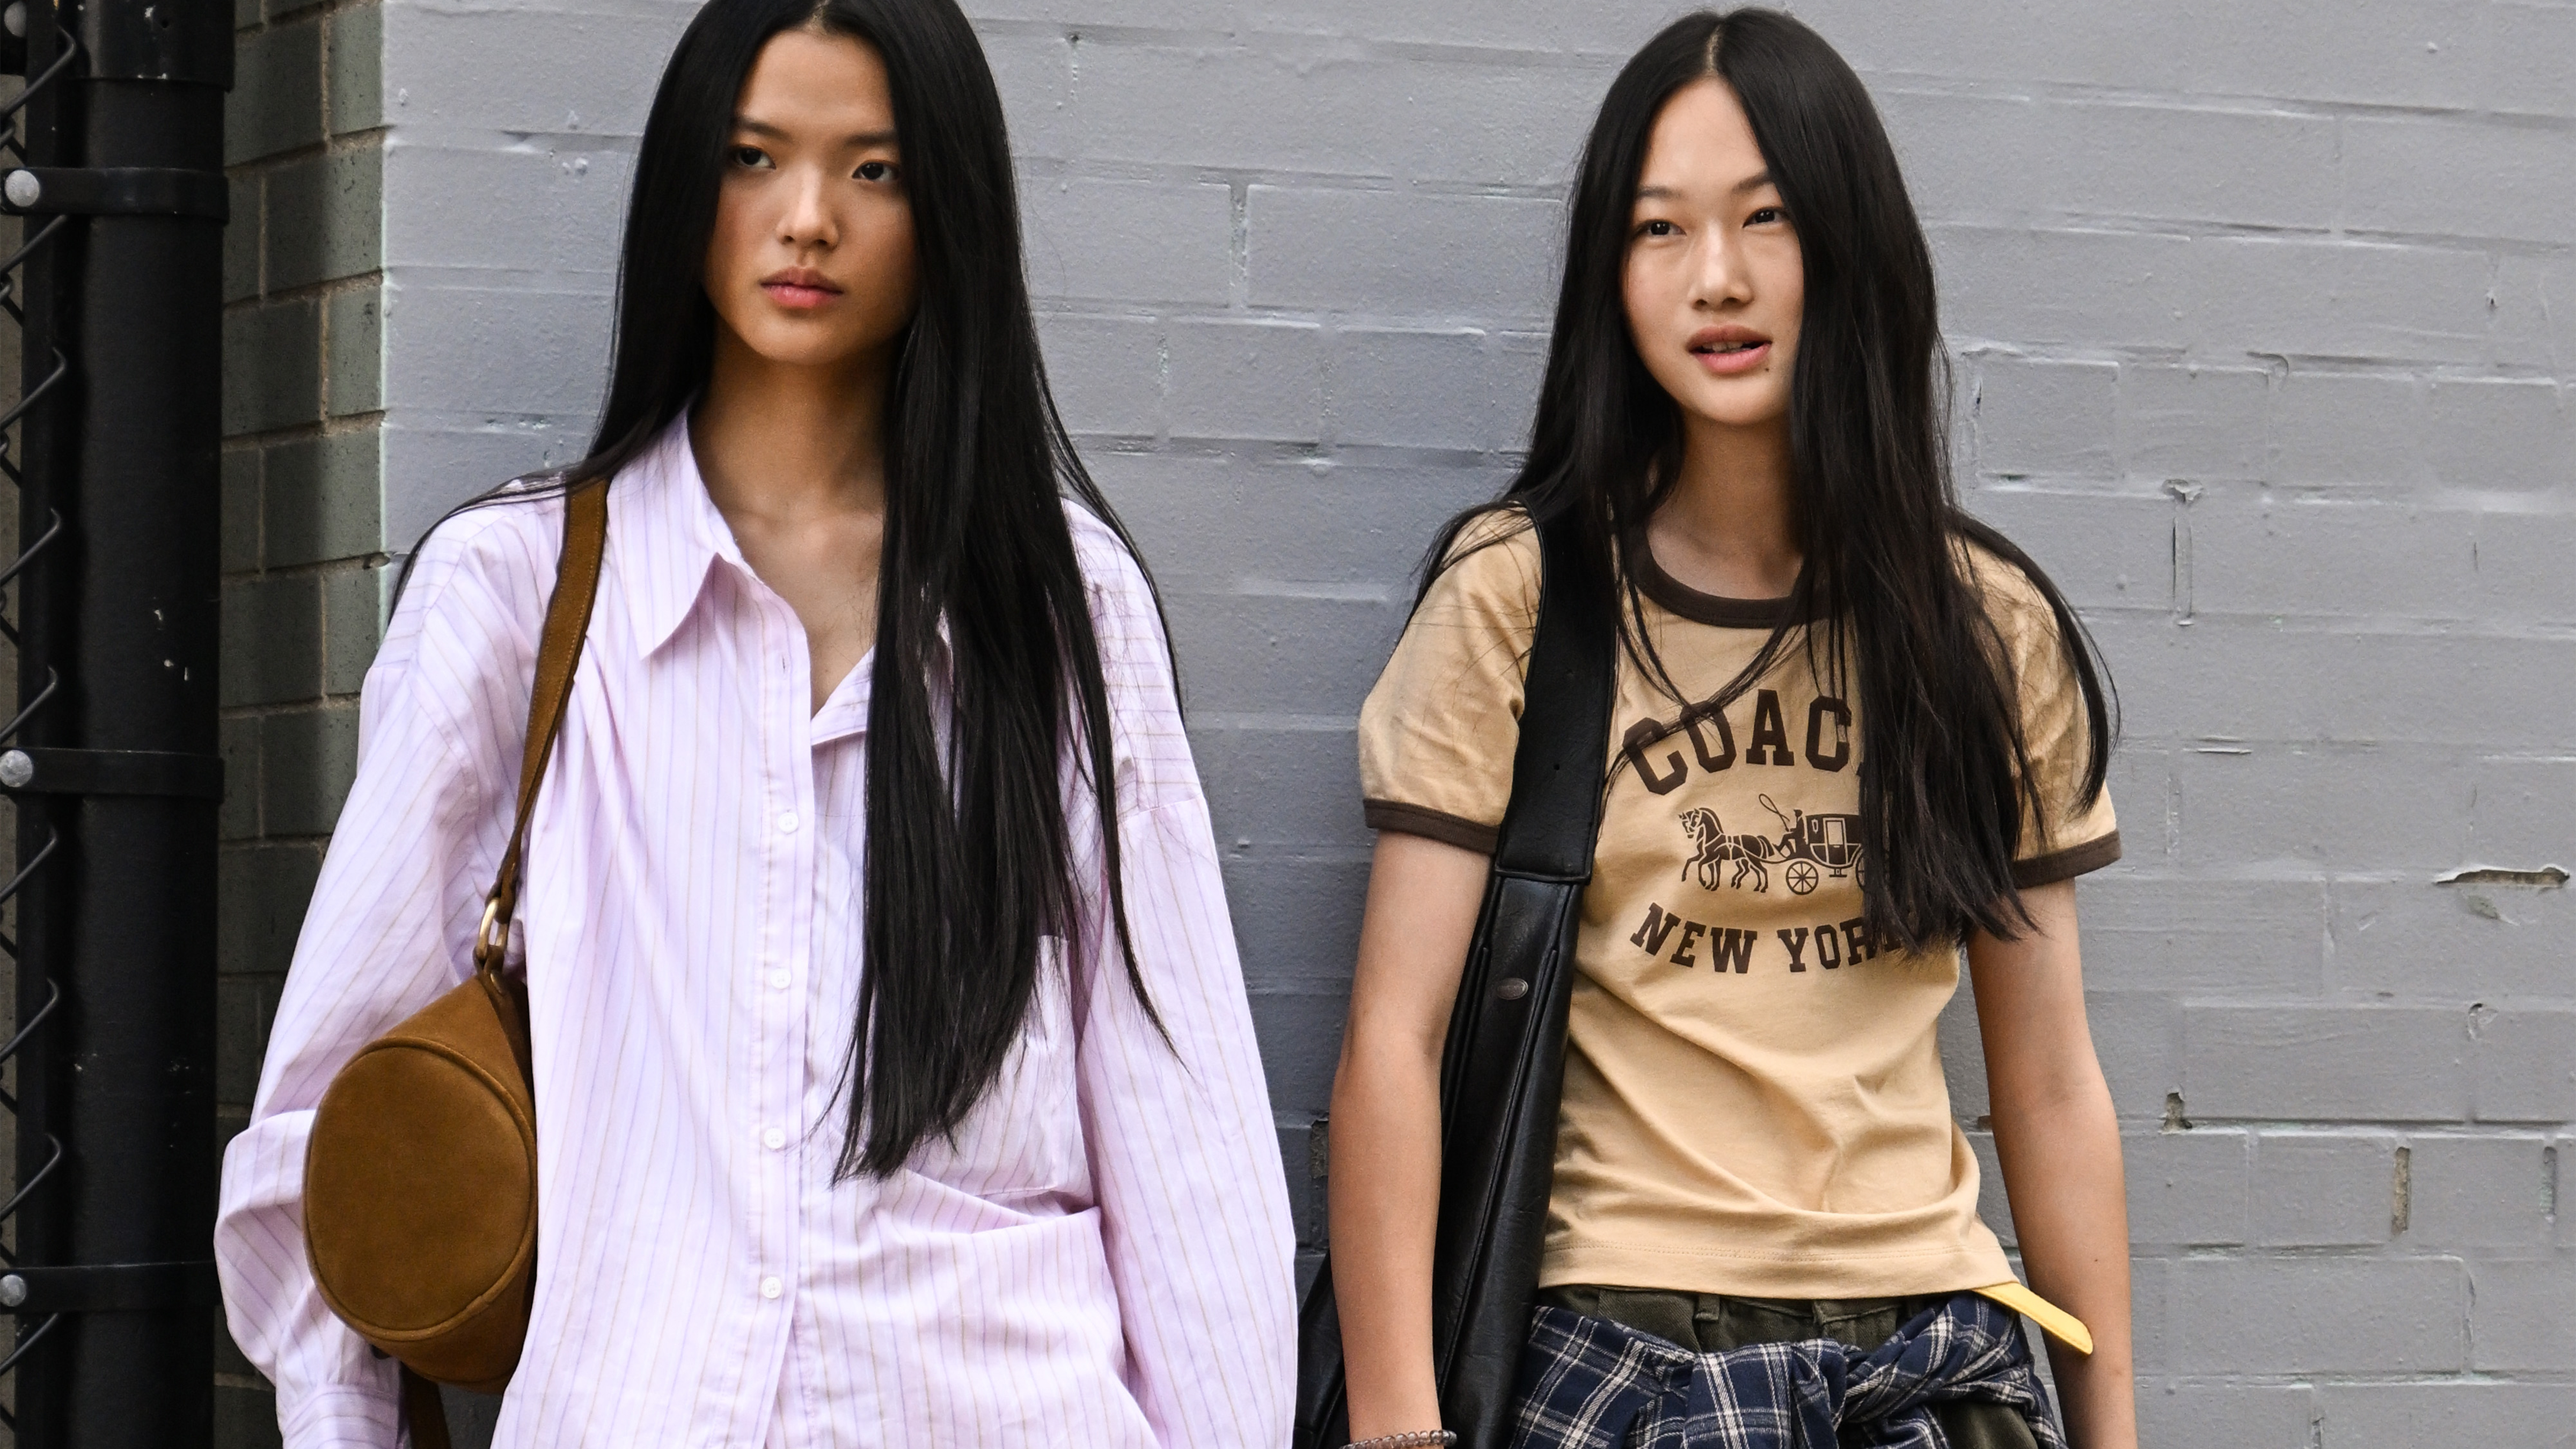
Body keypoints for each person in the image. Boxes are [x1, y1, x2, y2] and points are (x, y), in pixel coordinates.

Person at [213, 1, 1294, 1443]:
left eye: (875, 169)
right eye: (752, 157)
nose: (807, 218)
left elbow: (1187, 1141)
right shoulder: (518, 597)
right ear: (685, 189)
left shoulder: (1064, 607)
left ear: (948, 208)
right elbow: (323, 1131)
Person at [1327, 10, 2132, 1448]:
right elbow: (1397, 1033)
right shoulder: (1521, 594)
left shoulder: (1981, 623)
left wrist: (2113, 1424)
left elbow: (2055, 1078)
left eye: (1767, 218)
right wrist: (1397, 1420)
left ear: (1850, 246)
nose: (1718, 276)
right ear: (1611, 276)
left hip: (1928, 1357)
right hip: (1628, 1351)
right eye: (1660, 229)